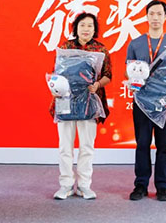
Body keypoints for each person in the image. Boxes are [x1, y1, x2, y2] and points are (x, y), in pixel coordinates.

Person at [49, 12, 112, 200]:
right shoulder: (65, 48)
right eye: (82, 25)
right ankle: (66, 185)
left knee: (87, 146)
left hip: (90, 101)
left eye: (90, 25)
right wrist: (55, 87)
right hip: (65, 100)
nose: (86, 29)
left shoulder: (100, 49)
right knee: (65, 146)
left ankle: (84, 185)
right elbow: (56, 74)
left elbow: (108, 75)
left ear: (95, 29)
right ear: (76, 27)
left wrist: (97, 85)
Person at [126, 0, 166, 202]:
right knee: (142, 143)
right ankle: (140, 185)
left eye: (159, 14)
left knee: (163, 144)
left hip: (165, 104)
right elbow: (129, 72)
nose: (155, 17)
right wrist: (131, 82)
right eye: (152, 13)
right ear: (146, 16)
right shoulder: (136, 44)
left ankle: (162, 186)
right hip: (142, 102)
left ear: (165, 17)